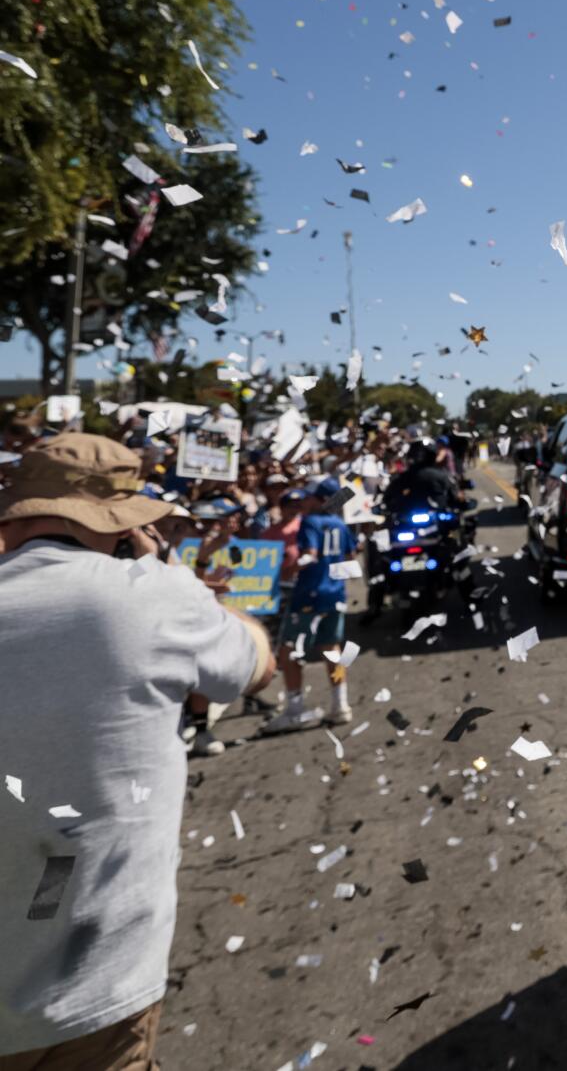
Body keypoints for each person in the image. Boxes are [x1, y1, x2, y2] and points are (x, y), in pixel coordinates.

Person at [0, 435, 274, 1067]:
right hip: (93, 985)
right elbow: (249, 667)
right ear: (120, 520)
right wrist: (180, 582)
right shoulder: (153, 594)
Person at [260, 477, 358, 733]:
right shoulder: (340, 524)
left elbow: (309, 556)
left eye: (309, 497)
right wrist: (331, 581)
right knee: (331, 650)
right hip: (334, 596)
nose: (304, 502)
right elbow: (351, 560)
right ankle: (340, 705)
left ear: (321, 500)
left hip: (308, 596)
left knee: (290, 651)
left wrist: (290, 571)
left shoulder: (311, 523)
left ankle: (295, 710)